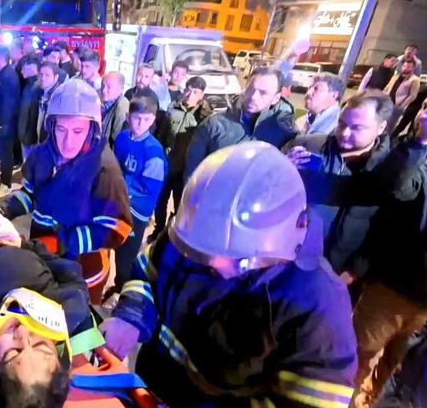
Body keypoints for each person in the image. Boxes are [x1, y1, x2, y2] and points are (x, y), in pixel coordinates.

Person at [102, 141, 356, 408]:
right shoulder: (196, 234)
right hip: (148, 393)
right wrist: (132, 315)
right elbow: (146, 271)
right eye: (204, 256)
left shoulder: (318, 305)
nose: (216, 266)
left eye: (239, 261)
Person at [349, 90, 427, 408]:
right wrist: (421, 142)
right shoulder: (413, 153)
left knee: (397, 367)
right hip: (390, 289)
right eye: (426, 108)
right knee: (359, 353)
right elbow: (395, 187)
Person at [0, 79, 133, 303]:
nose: (67, 141)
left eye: (78, 131)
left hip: (83, 275)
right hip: (43, 260)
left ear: (93, 128)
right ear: (51, 125)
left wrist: (59, 243)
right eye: (61, 129)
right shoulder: (42, 154)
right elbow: (30, 193)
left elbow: (118, 228)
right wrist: (3, 210)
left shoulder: (104, 168)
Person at [285, 91, 395, 284]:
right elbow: (269, 191)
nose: (344, 133)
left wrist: (353, 272)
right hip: (289, 258)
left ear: (381, 127)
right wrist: (282, 166)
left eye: (357, 128)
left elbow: (385, 229)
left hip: (338, 274)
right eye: (342, 123)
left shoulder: (389, 170)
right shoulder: (307, 145)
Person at [104, 96, 166, 310]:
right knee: (111, 245)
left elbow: (150, 189)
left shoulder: (154, 152)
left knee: (126, 256)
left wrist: (122, 187)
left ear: (153, 120)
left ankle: (122, 292)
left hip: (136, 213)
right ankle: (115, 284)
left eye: (146, 119)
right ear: (128, 117)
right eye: (136, 118)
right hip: (116, 203)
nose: (140, 124)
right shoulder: (122, 138)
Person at [183, 67, 296, 181]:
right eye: (251, 89)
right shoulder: (214, 124)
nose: (253, 97)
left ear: (276, 98)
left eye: (263, 93)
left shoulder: (283, 131)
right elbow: (192, 174)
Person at [149, 76, 212, 243]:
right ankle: (158, 229)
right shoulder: (173, 108)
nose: (190, 95)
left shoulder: (205, 117)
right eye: (188, 90)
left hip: (185, 170)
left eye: (195, 92)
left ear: (201, 95)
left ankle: (172, 234)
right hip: (167, 165)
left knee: (180, 204)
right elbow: (162, 135)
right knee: (160, 201)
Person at [0, 45, 22, 198]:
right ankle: (3, 179)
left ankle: (6, 184)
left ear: (1, 58)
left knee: (6, 155)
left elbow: (9, 104)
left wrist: (1, 123)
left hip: (4, 125)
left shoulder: (9, 76)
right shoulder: (0, 74)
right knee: (2, 154)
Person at [17, 54, 42, 159]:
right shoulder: (29, 85)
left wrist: (29, 136)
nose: (21, 71)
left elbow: (33, 115)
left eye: (23, 68)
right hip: (25, 135)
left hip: (30, 137)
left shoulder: (37, 87)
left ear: (31, 68)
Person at [35, 61, 62, 145]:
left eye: (47, 75)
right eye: (41, 74)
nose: (43, 78)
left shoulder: (58, 97)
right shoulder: (40, 92)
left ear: (56, 77)